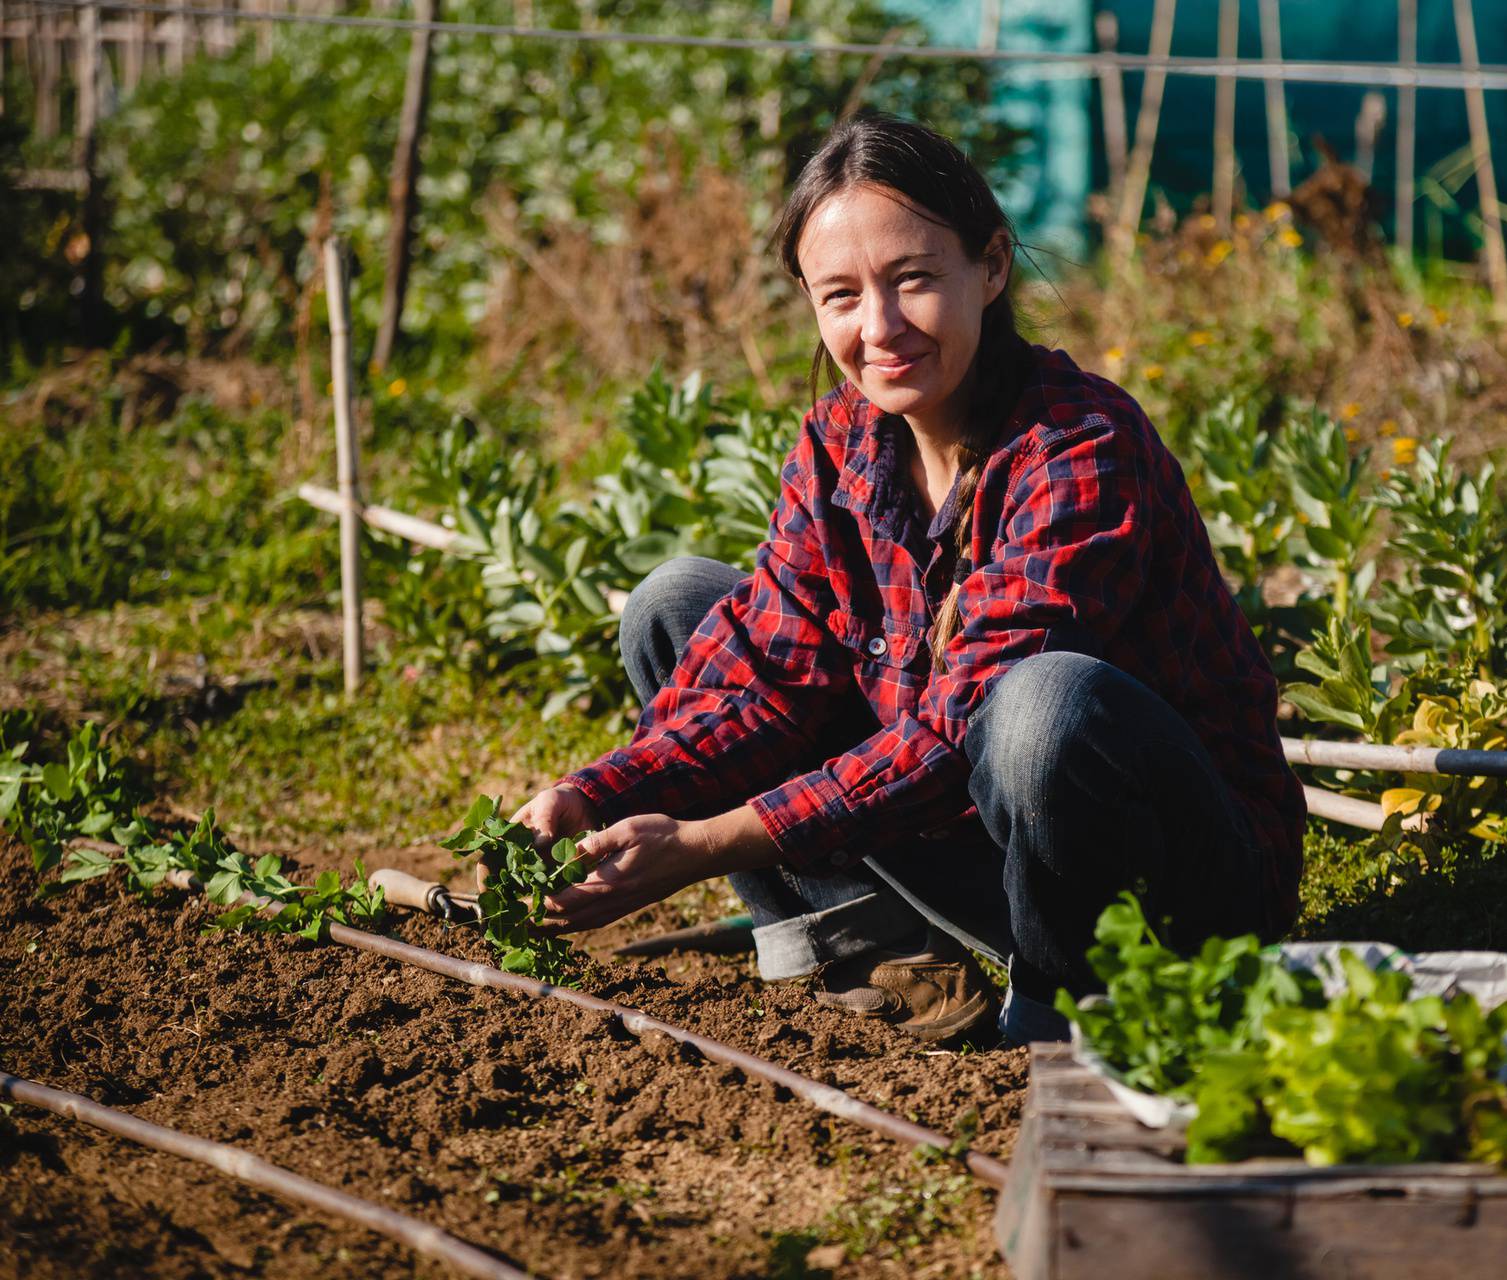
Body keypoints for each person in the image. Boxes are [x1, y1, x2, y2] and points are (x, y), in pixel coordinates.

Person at [509, 113, 1305, 1044]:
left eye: (914, 279)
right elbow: (768, 680)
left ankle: (1069, 1004)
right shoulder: (839, 444)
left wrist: (700, 847)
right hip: (977, 843)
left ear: (992, 267)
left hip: (1167, 884)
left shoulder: (1076, 448)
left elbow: (958, 732)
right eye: (840, 296)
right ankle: (876, 943)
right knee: (677, 606)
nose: (879, 328)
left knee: (1040, 701)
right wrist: (593, 794)